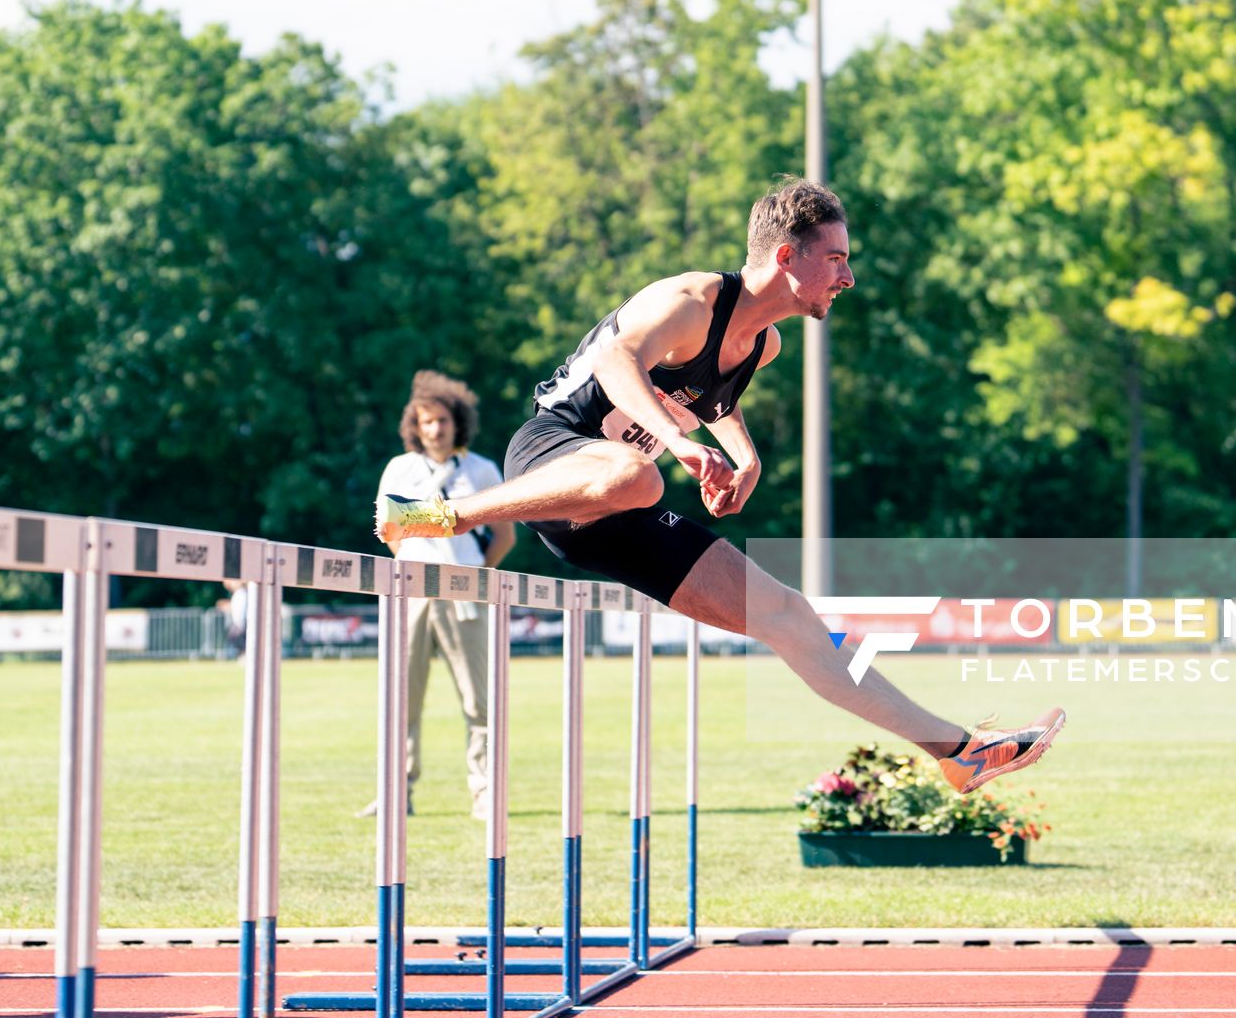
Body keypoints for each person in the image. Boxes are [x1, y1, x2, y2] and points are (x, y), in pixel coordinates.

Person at [376, 178, 1062, 795]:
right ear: (786, 258)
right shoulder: (690, 300)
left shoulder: (764, 345)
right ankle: (440, 517)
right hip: (555, 460)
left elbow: (712, 400)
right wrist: (677, 444)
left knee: (790, 617)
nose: (848, 277)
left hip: (622, 511)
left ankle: (958, 752)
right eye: (837, 258)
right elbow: (617, 360)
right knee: (635, 473)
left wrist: (744, 456)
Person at [363, 370, 517, 820]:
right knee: (400, 698)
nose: (434, 429)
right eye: (426, 421)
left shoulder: (482, 469)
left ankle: (485, 791)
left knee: (478, 700)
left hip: (465, 590)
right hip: (411, 592)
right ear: (415, 424)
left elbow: (505, 535)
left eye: (443, 421)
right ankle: (396, 792)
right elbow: (387, 530)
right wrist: (411, 561)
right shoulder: (400, 467)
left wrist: (477, 576)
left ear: (457, 423)